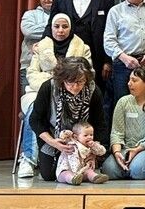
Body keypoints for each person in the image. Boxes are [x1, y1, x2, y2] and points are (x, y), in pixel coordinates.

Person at [19, 13, 93, 177]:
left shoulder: (83, 47)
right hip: (40, 90)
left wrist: (68, 82)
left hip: (74, 89)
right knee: (32, 110)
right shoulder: (40, 47)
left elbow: (89, 73)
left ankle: (81, 153)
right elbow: (32, 74)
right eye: (56, 26)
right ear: (50, 28)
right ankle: (28, 159)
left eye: (65, 27)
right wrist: (56, 83)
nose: (60, 30)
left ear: (70, 28)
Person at [49, 0, 116, 106]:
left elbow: (110, 30)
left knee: (95, 99)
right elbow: (51, 23)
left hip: (97, 58)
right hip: (66, 55)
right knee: (66, 96)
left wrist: (108, 61)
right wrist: (42, 43)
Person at [29, 56, 106, 181]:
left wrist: (92, 152)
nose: (75, 87)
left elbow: (100, 123)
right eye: (70, 82)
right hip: (54, 137)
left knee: (85, 167)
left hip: (83, 142)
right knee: (49, 175)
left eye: (80, 82)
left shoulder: (93, 91)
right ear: (62, 79)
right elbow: (35, 120)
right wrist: (53, 142)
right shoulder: (48, 87)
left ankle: (87, 175)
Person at [101, 67, 145, 180]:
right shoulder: (123, 102)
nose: (129, 83)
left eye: (134, 80)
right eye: (129, 80)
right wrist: (117, 152)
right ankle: (130, 169)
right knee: (108, 170)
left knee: (138, 170)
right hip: (127, 148)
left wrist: (138, 149)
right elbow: (116, 131)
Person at [20, 0, 57, 94]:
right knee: (29, 101)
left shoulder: (64, 15)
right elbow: (29, 31)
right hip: (30, 65)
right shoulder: (30, 14)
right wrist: (55, 28)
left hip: (56, 67)